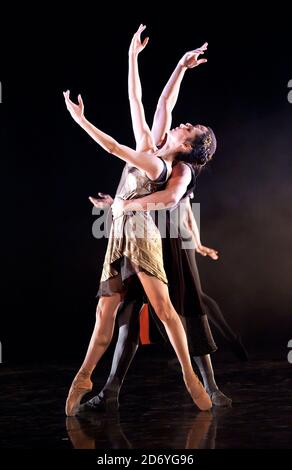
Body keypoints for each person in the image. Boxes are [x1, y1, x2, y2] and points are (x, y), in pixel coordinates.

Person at [63, 28, 216, 416]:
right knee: (105, 311)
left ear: (185, 145)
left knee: (164, 310)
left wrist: (80, 119)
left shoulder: (159, 163)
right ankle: (84, 376)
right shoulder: (151, 145)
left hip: (142, 235)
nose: (180, 123)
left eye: (187, 129)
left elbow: (114, 147)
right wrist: (134, 57)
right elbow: (144, 98)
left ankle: (188, 373)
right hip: (118, 234)